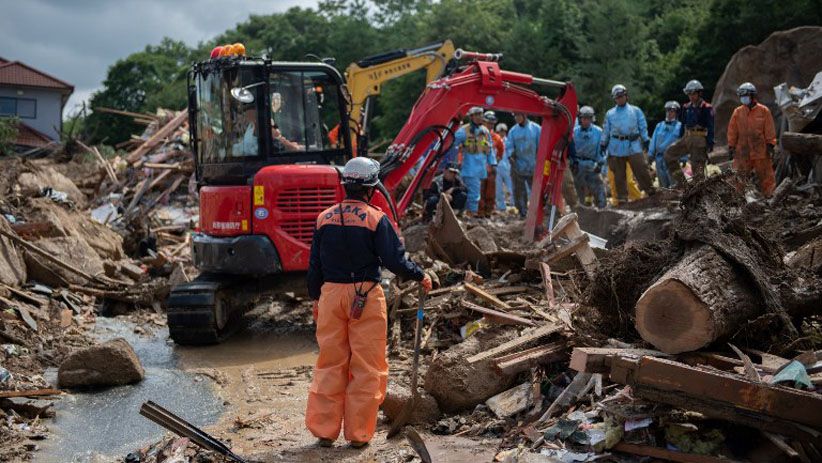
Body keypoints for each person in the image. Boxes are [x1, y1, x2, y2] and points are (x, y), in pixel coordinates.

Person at [306, 157, 432, 448]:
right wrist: (420, 274)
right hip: (364, 296)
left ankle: (324, 431)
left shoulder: (324, 218)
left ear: (345, 186)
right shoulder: (376, 218)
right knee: (366, 366)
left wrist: (316, 298)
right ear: (372, 189)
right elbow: (395, 261)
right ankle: (359, 434)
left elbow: (314, 267)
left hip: (330, 296)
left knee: (329, 363)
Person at [601, 84, 655, 204]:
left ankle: (651, 192)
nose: (620, 99)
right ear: (614, 98)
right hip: (616, 145)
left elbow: (642, 125)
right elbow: (606, 129)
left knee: (641, 168)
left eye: (621, 96)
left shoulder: (635, 110)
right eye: (617, 97)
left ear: (626, 96)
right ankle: (622, 199)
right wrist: (603, 143)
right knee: (619, 175)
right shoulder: (610, 113)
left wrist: (645, 139)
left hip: (633, 144)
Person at [727, 82, 777, 196]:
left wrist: (770, 145)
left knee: (766, 176)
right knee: (738, 177)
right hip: (743, 151)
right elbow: (732, 131)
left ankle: (770, 197)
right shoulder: (738, 112)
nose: (743, 98)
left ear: (752, 95)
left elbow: (769, 129)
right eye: (741, 96)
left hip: (760, 151)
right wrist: (731, 146)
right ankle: (738, 199)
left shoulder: (764, 111)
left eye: (745, 95)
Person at [664, 79, 715, 186]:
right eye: (689, 94)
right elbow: (683, 124)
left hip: (699, 139)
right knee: (669, 154)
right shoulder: (686, 107)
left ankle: (700, 192)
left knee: (697, 169)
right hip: (686, 137)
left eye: (693, 93)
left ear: (699, 93)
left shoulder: (706, 108)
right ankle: (682, 183)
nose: (691, 96)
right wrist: (680, 137)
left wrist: (710, 143)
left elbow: (710, 127)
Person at [454, 106, 497, 217]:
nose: (479, 117)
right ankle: (471, 213)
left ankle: (466, 212)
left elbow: (489, 148)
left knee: (474, 192)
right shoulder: (464, 131)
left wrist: (492, 163)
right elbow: (452, 143)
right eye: (476, 115)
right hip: (469, 167)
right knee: (474, 193)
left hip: (480, 168)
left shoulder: (484, 131)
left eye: (480, 114)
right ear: (471, 116)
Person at [569, 106, 606, 208]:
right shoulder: (574, 132)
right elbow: (571, 149)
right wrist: (573, 162)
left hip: (592, 164)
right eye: (583, 118)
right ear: (580, 119)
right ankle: (581, 211)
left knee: (598, 188)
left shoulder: (598, 132)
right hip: (578, 164)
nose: (585, 120)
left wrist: (600, 163)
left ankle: (602, 209)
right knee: (578, 189)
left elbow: (601, 149)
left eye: (588, 118)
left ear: (591, 119)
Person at [505, 112, 541, 218]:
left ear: (524, 116)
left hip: (533, 165)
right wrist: (510, 155)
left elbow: (541, 146)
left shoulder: (536, 129)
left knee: (536, 190)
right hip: (518, 165)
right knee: (519, 191)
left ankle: (537, 212)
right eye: (515, 116)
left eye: (518, 115)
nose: (517, 118)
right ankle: (522, 211)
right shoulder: (513, 131)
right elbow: (509, 146)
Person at [648, 101, 683, 188]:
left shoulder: (680, 126)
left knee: (674, 182)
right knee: (662, 182)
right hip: (659, 158)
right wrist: (650, 154)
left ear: (676, 113)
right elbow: (653, 141)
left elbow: (683, 143)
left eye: (672, 111)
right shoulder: (659, 126)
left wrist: (684, 158)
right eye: (668, 110)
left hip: (673, 158)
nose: (669, 113)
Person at [478, 111, 504, 217]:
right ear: (483, 122)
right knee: (480, 189)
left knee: (490, 190)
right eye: (488, 122)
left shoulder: (497, 138)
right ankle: (480, 211)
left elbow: (501, 151)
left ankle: (488, 210)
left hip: (491, 168)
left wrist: (496, 161)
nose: (490, 125)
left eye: (492, 123)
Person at [494, 123, 513, 211]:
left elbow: (511, 153)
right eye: (500, 131)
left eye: (503, 131)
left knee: (511, 187)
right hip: (497, 167)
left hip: (507, 167)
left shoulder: (509, 141)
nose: (502, 133)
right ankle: (500, 206)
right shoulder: (494, 141)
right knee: (498, 189)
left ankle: (514, 205)